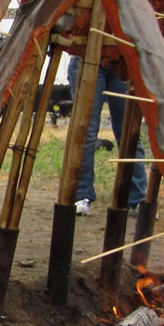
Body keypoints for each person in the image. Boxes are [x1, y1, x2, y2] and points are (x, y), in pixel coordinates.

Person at [65, 56, 147, 216]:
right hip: (87, 58)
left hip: (123, 60)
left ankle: (136, 198)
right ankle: (81, 196)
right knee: (85, 132)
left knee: (130, 131)